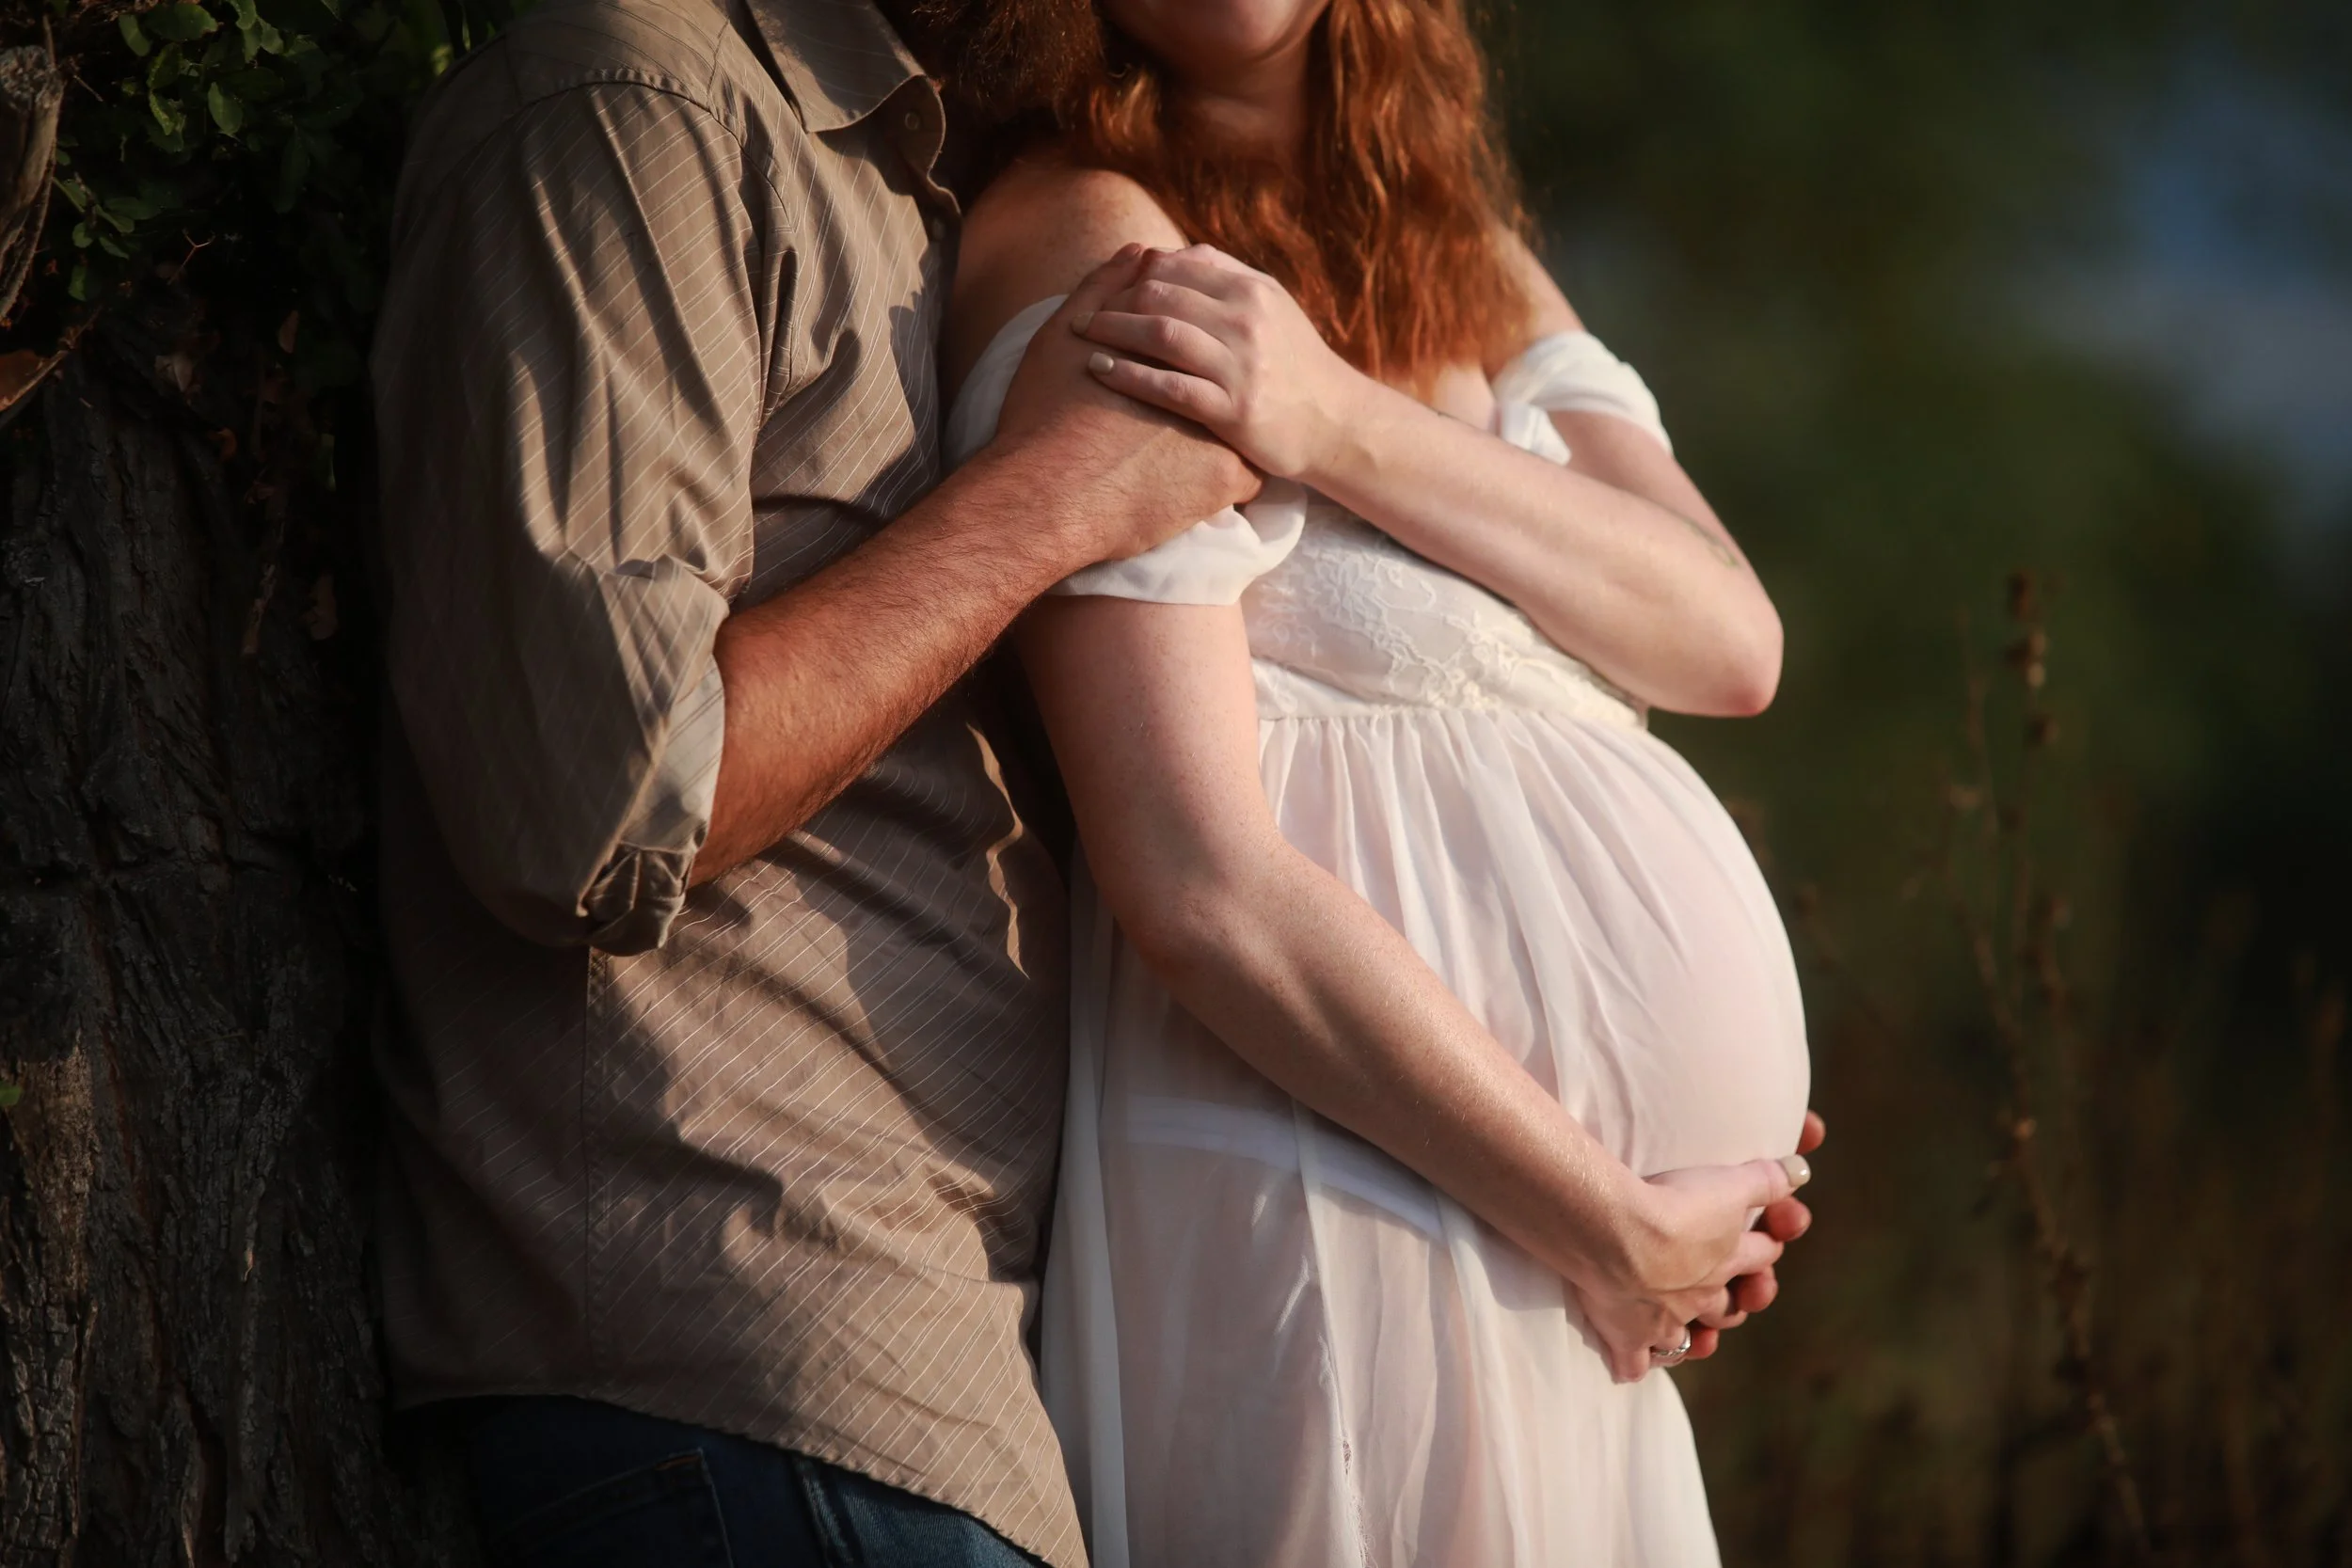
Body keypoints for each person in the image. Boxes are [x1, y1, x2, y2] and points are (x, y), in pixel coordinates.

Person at [365, 1, 1258, 1563]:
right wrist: (1050, 497)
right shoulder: (633, 111)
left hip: (916, 1396)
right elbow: (602, 793)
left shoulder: (910, 176)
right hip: (750, 1373)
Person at [940, 0, 1819, 1560]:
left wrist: (1336, 417)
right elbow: (1197, 880)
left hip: (1551, 1256)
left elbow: (1727, 640)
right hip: (1327, 1183)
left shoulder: (1453, 244)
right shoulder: (1098, 238)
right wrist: (1611, 1220)